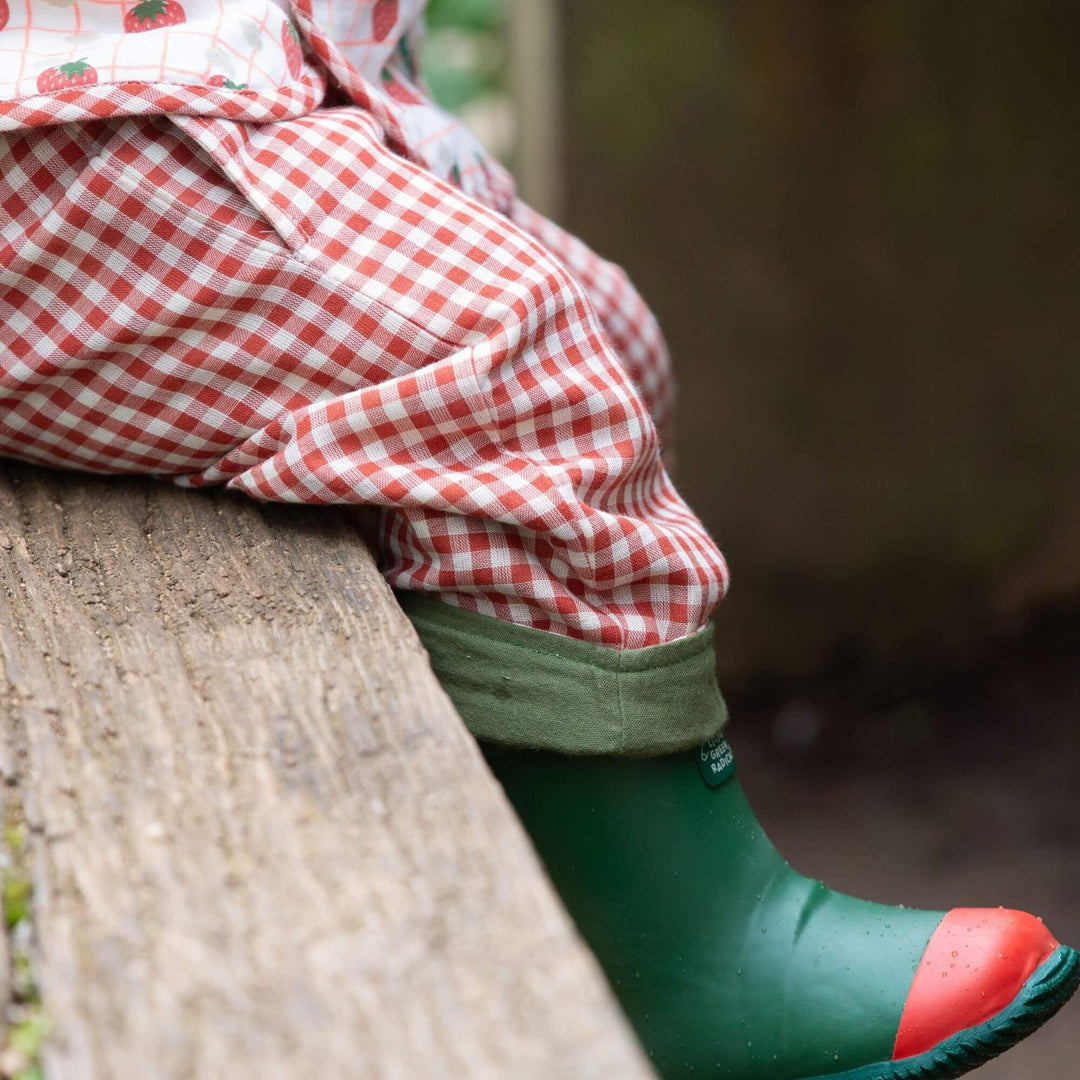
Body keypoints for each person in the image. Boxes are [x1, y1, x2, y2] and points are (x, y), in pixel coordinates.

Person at [0, 2, 1075, 1076]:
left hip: (251, 65)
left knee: (615, 340)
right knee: (511, 380)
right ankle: (684, 959)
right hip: (77, 122)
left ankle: (570, 846)